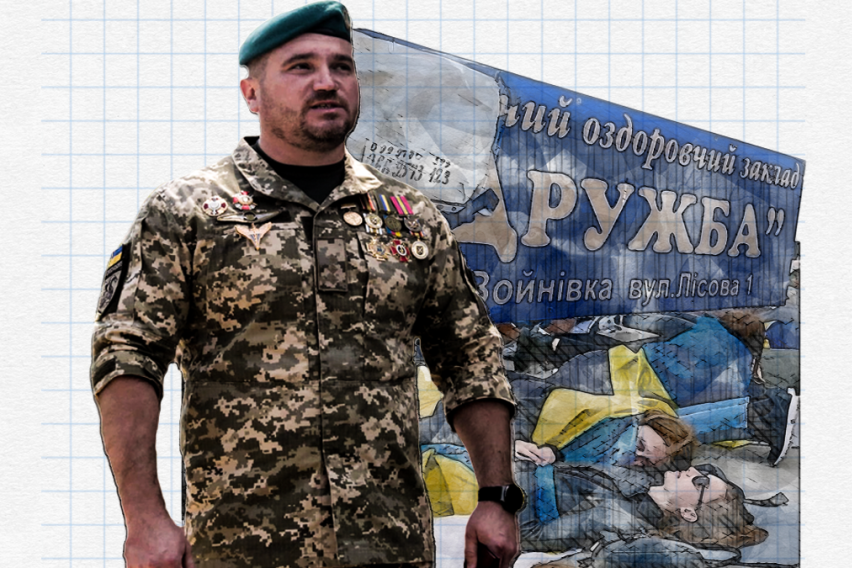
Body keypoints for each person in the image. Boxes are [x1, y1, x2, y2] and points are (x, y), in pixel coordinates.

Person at [90, 3, 519, 568]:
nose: (326, 82)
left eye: (342, 66)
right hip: (240, 549)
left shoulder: (411, 217)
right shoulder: (187, 212)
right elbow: (127, 355)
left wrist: (497, 497)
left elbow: (469, 356)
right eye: (301, 67)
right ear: (251, 93)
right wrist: (144, 519)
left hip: (389, 548)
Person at [518, 462, 767, 554]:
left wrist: (519, 471)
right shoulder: (650, 483)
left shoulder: (617, 518)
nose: (693, 470)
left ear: (688, 512)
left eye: (700, 481)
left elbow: (527, 535)